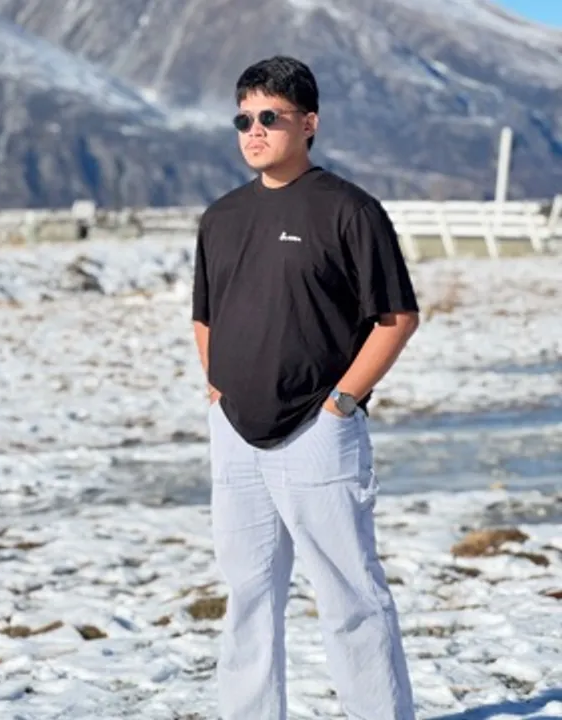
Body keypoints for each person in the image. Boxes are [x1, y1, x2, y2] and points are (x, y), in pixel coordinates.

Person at [191, 55, 419, 720]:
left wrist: (341, 403)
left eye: (270, 116)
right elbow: (205, 315)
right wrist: (218, 389)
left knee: (350, 596)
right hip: (235, 436)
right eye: (244, 119)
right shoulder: (221, 217)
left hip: (319, 433)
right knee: (248, 597)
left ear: (309, 123)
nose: (255, 131)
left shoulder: (349, 210)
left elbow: (397, 318)